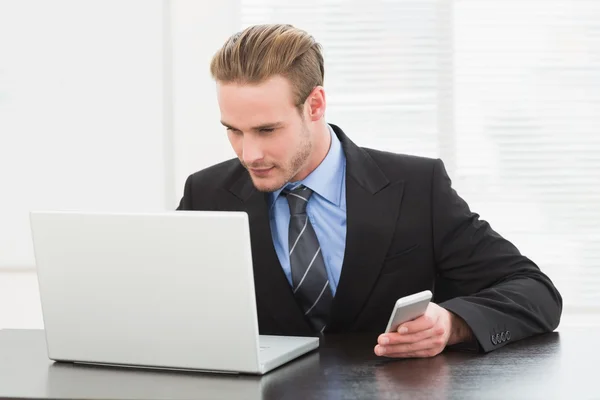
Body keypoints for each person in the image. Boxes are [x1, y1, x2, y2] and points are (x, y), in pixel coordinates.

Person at [176, 24, 562, 358]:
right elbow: (165, 309)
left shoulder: (416, 187)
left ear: (315, 104)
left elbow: (536, 292)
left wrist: (452, 323)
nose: (249, 154)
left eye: (266, 130)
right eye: (233, 130)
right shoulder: (206, 194)